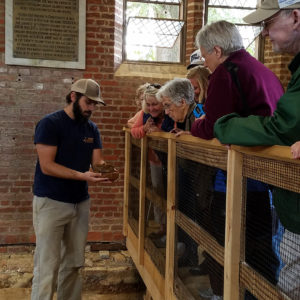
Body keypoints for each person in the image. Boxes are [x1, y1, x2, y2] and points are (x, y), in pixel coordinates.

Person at [190, 20, 284, 300]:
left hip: (244, 178)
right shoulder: (258, 68)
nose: (205, 62)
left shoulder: (226, 73)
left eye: (205, 55)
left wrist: (196, 125)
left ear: (217, 51)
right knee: (262, 246)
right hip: (269, 175)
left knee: (232, 245)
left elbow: (212, 127)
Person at [214, 2, 300, 299]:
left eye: (268, 23)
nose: (264, 33)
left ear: (296, 17)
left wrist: (223, 126)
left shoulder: (230, 71)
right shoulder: (274, 70)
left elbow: (282, 128)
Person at [31, 79, 109, 300]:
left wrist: (108, 171)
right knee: (47, 265)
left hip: (79, 203)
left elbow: (98, 162)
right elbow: (47, 166)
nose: (91, 108)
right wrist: (81, 176)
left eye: (95, 104)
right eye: (88, 102)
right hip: (51, 202)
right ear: (73, 96)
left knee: (74, 263)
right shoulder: (50, 124)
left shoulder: (91, 128)